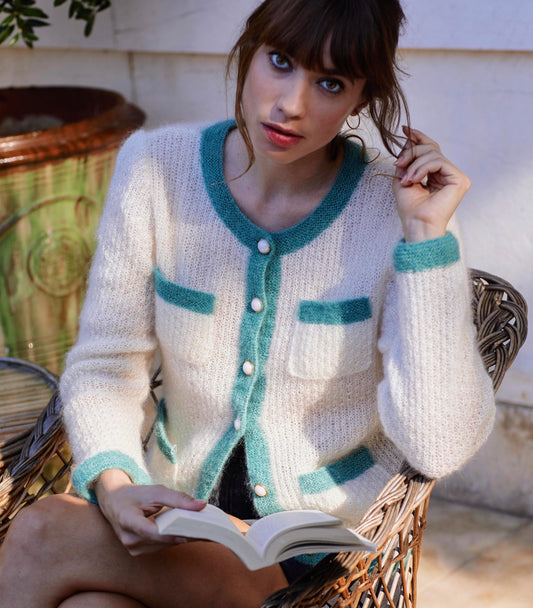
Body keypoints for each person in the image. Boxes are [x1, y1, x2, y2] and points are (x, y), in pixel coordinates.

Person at [0, 0, 496, 606]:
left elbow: (439, 444)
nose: (291, 104)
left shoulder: (398, 212)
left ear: (362, 98)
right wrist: (115, 484)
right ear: (249, 49)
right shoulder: (157, 170)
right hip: (177, 523)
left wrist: (425, 241)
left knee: (43, 532)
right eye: (280, 61)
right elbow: (105, 364)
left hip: (312, 563)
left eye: (330, 83)